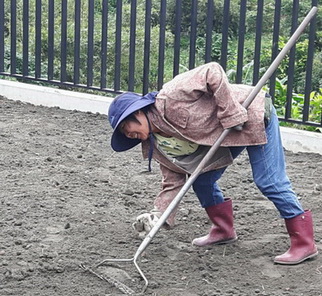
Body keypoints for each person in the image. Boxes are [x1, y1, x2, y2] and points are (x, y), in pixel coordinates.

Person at [108, 62, 318, 265]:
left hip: (252, 115)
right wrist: (157, 216)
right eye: (124, 134)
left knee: (269, 180)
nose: (129, 134)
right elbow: (173, 181)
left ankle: (303, 243)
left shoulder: (170, 97)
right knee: (201, 180)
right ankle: (223, 229)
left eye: (126, 126)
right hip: (223, 133)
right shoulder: (155, 144)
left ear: (137, 112)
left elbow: (212, 71)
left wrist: (230, 112)